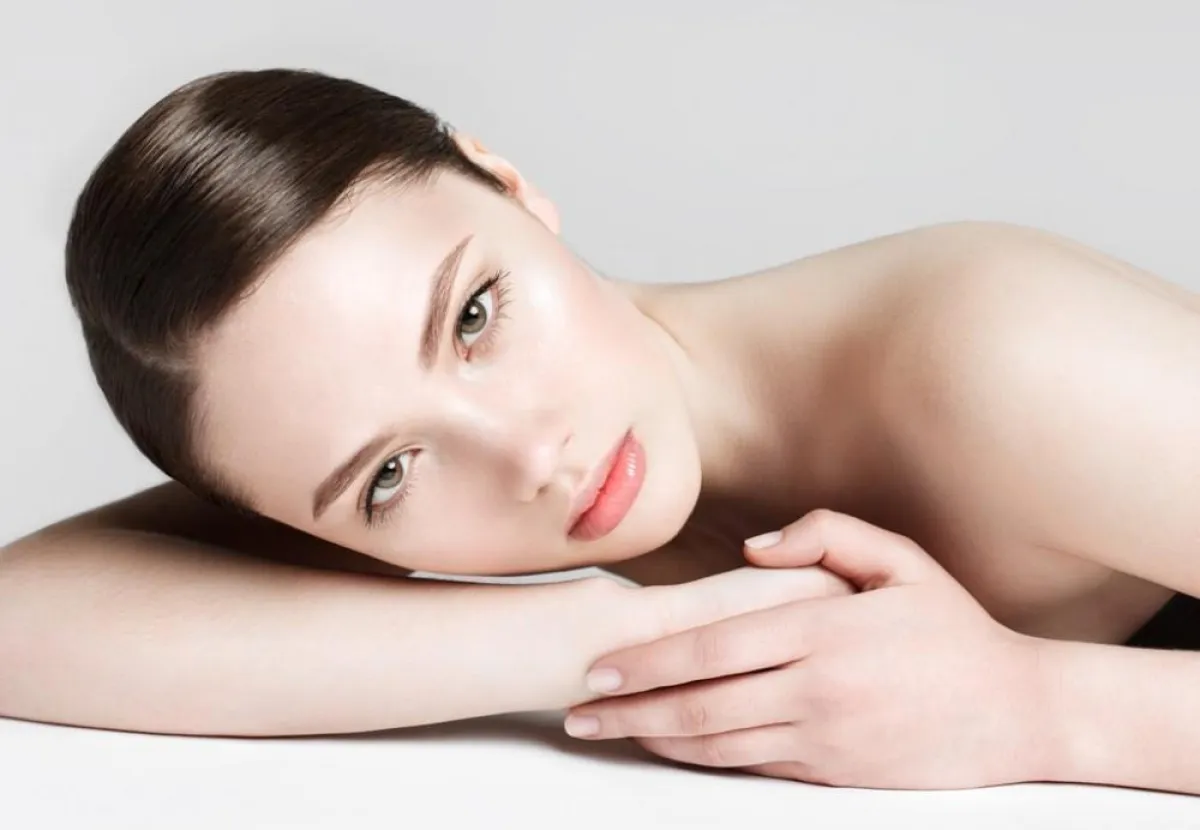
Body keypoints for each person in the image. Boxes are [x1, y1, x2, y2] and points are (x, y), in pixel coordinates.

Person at [1, 68, 1198, 794]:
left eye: (475, 315)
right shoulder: (512, 515)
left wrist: (1038, 704)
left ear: (508, 183)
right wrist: (606, 641)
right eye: (392, 473)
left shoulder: (996, 354)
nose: (529, 455)